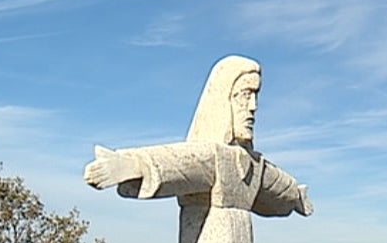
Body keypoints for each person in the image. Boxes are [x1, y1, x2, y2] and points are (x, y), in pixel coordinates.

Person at [83, 55, 312, 218]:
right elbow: (178, 161)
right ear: (224, 100)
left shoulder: (254, 164)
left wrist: (297, 197)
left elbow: (279, 186)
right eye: (244, 95)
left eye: (256, 96)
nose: (253, 107)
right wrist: (133, 165)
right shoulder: (214, 157)